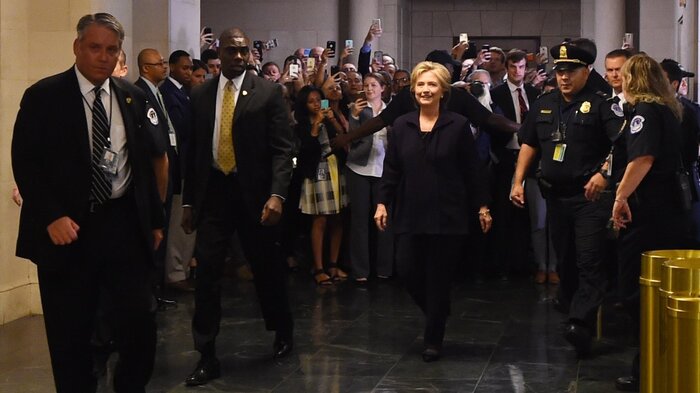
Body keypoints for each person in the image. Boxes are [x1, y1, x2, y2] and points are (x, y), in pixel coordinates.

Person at [11, 12, 165, 393]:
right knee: (70, 336)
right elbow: (25, 162)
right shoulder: (44, 96)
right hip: (68, 231)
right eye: (95, 47)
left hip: (123, 228)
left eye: (111, 50)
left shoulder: (132, 96)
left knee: (138, 327)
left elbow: (146, 166)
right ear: (78, 47)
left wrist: (155, 221)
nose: (103, 56)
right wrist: (51, 215)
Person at [181, 27, 295, 386]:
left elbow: (283, 148)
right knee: (208, 273)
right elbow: (193, 152)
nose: (240, 57)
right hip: (215, 193)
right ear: (220, 52)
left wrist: (277, 194)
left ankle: (282, 330)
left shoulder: (268, 92)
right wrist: (187, 201)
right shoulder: (200, 94)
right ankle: (206, 352)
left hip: (256, 196)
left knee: (266, 268)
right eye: (232, 51)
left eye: (244, 50)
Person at [511, 43, 624, 358]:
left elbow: (622, 144)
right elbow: (529, 144)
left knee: (589, 260)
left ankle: (580, 322)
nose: (563, 77)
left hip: (589, 197)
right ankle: (577, 312)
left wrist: (604, 174)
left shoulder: (602, 104)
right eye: (560, 71)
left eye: (570, 71)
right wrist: (517, 181)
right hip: (555, 196)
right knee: (566, 262)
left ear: (586, 71)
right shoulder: (544, 103)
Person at [375, 61, 492, 362]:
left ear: (442, 91)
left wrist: (482, 205)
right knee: (407, 270)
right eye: (421, 85)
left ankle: (433, 338)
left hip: (447, 215)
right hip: (410, 213)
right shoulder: (401, 125)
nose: (426, 90)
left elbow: (472, 169)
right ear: (413, 90)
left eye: (432, 85)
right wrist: (381, 202)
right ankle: (438, 310)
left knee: (438, 278)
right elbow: (392, 169)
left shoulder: (457, 124)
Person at [612, 55, 691, 392]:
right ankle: (655, 363)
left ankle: (646, 367)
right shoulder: (669, 110)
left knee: (637, 291)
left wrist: (620, 197)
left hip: (648, 214)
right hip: (671, 213)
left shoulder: (643, 113)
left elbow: (642, 158)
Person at [296, 85, 349, 285]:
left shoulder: (328, 117)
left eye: (319, 99)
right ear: (304, 104)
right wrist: (316, 125)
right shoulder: (301, 123)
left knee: (337, 217)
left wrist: (331, 118)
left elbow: (343, 135)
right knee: (320, 219)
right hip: (317, 169)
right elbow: (306, 149)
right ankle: (318, 267)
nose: (317, 104)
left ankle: (333, 264)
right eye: (312, 101)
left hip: (336, 165)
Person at [347, 72, 393, 282]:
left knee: (384, 220)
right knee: (359, 220)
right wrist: (354, 117)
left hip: (384, 169)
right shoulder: (358, 109)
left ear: (382, 88)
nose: (369, 88)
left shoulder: (391, 110)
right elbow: (352, 139)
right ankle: (360, 271)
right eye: (366, 85)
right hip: (360, 167)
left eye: (374, 85)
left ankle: (384, 268)